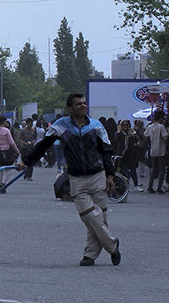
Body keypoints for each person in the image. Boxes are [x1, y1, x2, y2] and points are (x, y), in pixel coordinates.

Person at [24, 93, 121, 267]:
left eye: (84, 103)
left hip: (98, 175)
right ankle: (112, 245)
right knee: (90, 216)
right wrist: (26, 161)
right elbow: (43, 145)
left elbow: (106, 151)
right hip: (76, 178)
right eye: (78, 104)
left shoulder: (96, 125)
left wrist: (110, 174)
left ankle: (89, 256)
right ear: (70, 108)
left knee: (100, 218)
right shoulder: (61, 126)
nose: (83, 106)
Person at [0, 115, 20, 191]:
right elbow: (11, 142)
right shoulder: (6, 131)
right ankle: (4, 183)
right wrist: (17, 151)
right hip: (6, 152)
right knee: (8, 168)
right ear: (4, 122)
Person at [146, 110, 168, 193]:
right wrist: (168, 133)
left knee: (153, 168)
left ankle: (150, 186)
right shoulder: (161, 127)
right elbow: (165, 138)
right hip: (161, 150)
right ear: (161, 118)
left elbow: (146, 135)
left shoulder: (150, 126)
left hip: (153, 150)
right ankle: (159, 187)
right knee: (161, 170)